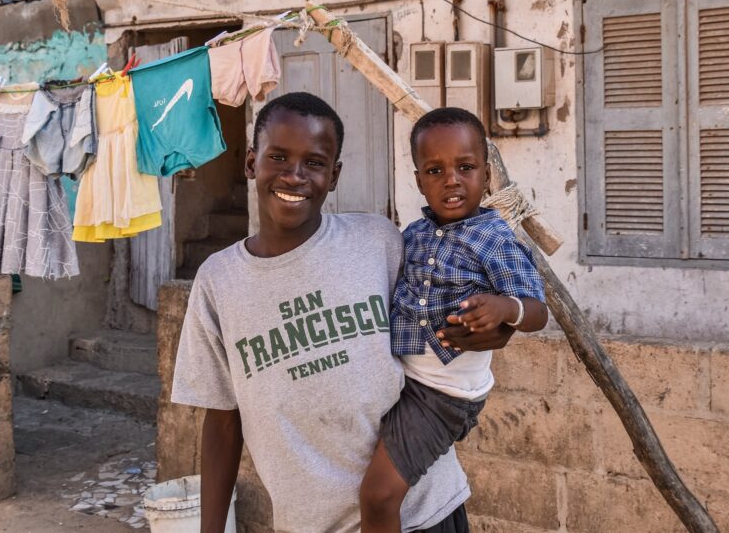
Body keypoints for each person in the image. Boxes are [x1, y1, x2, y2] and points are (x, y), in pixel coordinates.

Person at [171, 93, 535, 532]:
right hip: (312, 523)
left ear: (334, 174)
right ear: (251, 163)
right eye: (278, 157)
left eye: (315, 162)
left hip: (424, 511)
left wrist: (499, 327)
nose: (295, 176)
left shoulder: (378, 241)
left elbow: (454, 294)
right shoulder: (218, 281)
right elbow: (223, 418)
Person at [359, 107, 549, 533]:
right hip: (400, 381)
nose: (451, 180)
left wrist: (504, 309)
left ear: (485, 173)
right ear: (418, 180)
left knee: (378, 495)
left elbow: (538, 311)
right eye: (435, 170)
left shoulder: (494, 239)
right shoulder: (411, 235)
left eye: (465, 167)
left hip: (442, 395)